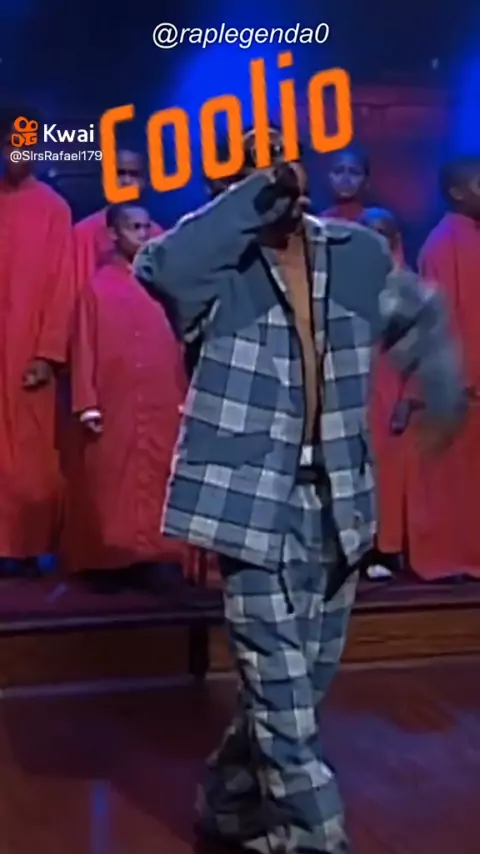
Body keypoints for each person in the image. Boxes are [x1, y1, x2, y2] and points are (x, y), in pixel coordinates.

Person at [133, 126, 465, 854]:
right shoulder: (211, 266)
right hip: (250, 500)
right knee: (280, 686)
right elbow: (159, 268)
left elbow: (420, 312)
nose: (281, 175)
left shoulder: (353, 254)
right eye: (260, 166)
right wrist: (252, 197)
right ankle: (316, 836)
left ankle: (227, 801)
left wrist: (442, 386)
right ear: (234, 185)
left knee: (298, 682)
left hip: (339, 497)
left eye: (287, 161)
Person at [61, 202, 199, 597]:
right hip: (114, 400)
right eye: (133, 227)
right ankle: (110, 562)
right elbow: (84, 346)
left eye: (146, 226)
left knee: (158, 478)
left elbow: (182, 342)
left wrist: (185, 394)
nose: (142, 234)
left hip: (160, 400)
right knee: (110, 482)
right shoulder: (97, 288)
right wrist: (86, 402)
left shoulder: (164, 287)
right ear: (113, 234)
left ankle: (157, 560)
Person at [0, 110, 74, 576]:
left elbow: (63, 285)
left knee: (31, 455)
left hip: (28, 349)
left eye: (27, 146)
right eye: (11, 144)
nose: (18, 154)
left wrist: (48, 353)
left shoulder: (53, 208)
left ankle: (26, 550)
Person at [404, 155, 480, 580]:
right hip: (461, 387)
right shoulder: (442, 244)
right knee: (454, 483)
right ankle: (451, 558)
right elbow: (440, 322)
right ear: (457, 192)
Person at [360, 208, 408, 580]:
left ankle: (388, 548)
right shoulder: (343, 281)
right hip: (353, 390)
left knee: (390, 475)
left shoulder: (408, 287)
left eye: (383, 232)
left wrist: (410, 398)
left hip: (394, 391)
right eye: (369, 231)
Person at [73, 148, 163, 288]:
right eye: (119, 173)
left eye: (134, 174)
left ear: (146, 181)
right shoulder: (82, 234)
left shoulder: (158, 236)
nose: (126, 181)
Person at [322, 146, 369, 220]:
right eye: (338, 171)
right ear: (328, 177)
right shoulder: (318, 221)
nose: (345, 178)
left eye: (354, 172)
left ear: (366, 181)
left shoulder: (376, 221)